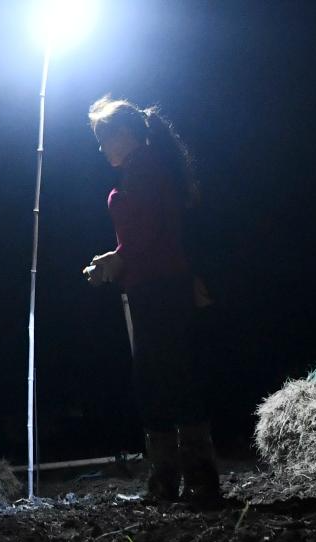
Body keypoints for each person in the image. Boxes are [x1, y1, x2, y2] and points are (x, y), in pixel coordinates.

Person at [83, 95, 221, 506]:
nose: (101, 148)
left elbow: (148, 233)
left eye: (104, 138)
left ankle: (185, 480)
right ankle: (179, 479)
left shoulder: (145, 169)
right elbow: (147, 233)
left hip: (159, 287)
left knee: (165, 378)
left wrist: (116, 259)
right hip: (157, 284)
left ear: (124, 134)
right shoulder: (147, 167)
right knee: (165, 377)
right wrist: (116, 258)